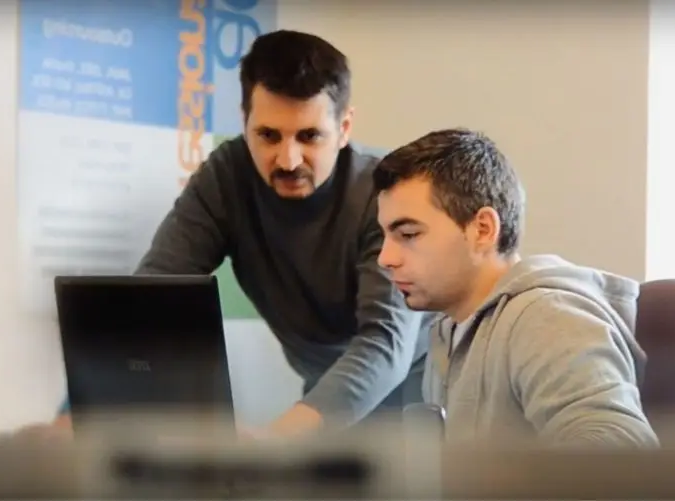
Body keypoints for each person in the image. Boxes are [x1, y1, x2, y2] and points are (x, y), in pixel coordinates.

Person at [43, 30, 430, 437]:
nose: (288, 159)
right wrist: (78, 415)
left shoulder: (384, 192)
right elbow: (148, 304)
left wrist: (270, 442)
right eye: (268, 135)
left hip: (415, 389)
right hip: (324, 389)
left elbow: (385, 344)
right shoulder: (225, 178)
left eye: (309, 136)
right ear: (243, 122)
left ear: (345, 127)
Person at [372, 128, 658, 447]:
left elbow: (620, 448)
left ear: (482, 230)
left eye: (408, 234)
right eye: (385, 236)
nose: (386, 258)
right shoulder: (446, 328)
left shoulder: (547, 318)